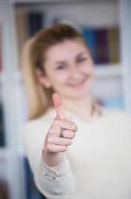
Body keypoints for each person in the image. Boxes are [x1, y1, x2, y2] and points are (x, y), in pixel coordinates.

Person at [22, 23, 131, 199]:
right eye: (61, 66)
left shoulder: (124, 120)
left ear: (91, 60)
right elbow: (56, 191)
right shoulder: (37, 128)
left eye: (81, 59)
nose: (75, 73)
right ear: (43, 78)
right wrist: (52, 157)